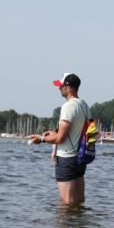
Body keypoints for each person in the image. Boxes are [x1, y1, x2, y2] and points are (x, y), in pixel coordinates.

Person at [30, 72, 90, 206]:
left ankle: (65, 227)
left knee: (66, 203)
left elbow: (60, 138)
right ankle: (78, 226)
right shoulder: (84, 105)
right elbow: (76, 131)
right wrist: (53, 133)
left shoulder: (68, 106)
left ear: (68, 87)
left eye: (61, 85)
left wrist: (41, 139)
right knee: (79, 201)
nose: (59, 88)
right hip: (80, 158)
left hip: (67, 159)